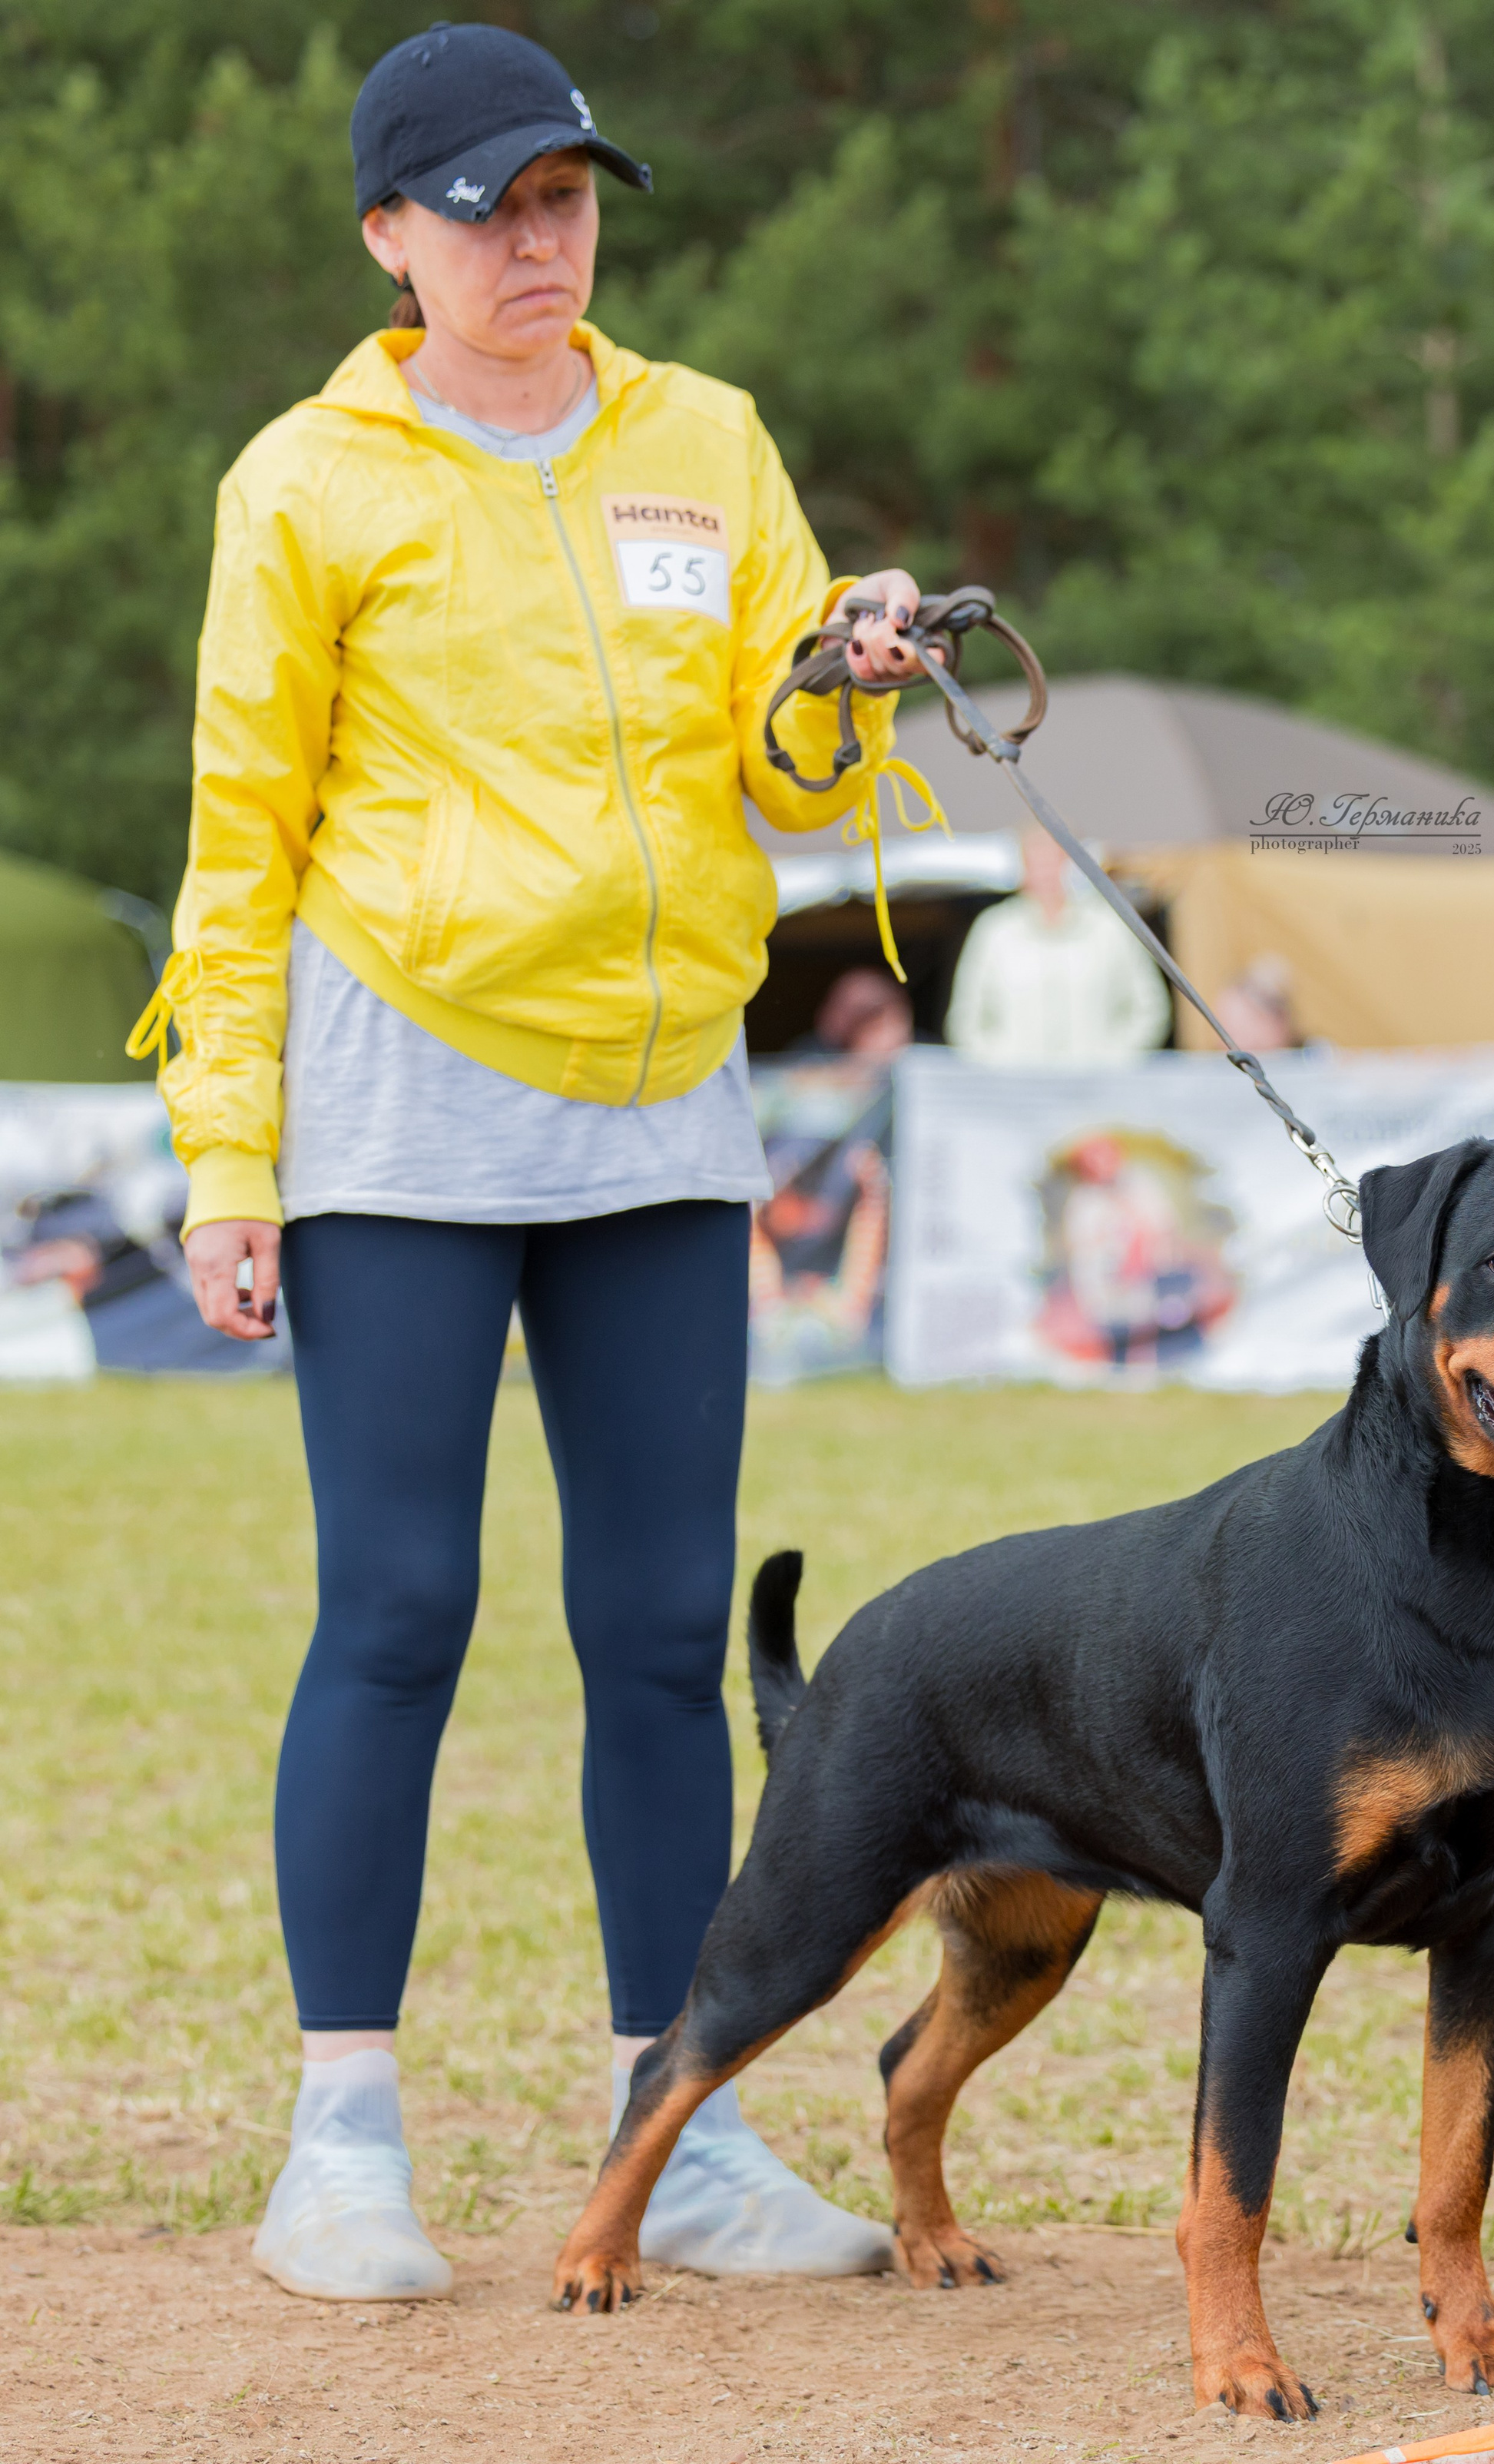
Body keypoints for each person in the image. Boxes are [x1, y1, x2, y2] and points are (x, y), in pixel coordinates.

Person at [140, 23, 933, 2303]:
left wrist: (845, 670)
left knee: (663, 1634)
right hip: (398, 1097)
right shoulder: (306, 478)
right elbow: (237, 842)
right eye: (491, 206)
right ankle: (342, 2137)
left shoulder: (708, 439)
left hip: (663, 1093)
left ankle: (669, 2122)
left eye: (570, 199)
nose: (540, 241)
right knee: (397, 1612)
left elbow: (778, 777)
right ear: (390, 232)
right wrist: (228, 1155)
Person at [944, 825, 1170, 1066]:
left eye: (1054, 862)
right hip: (1017, 1093)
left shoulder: (1110, 927)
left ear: (1069, 864)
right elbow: (965, 1020)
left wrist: (1112, 1060)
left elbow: (1151, 1008)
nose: (1047, 873)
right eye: (1038, 863)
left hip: (1097, 1092)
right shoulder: (994, 930)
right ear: (1024, 868)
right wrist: (1000, 1065)